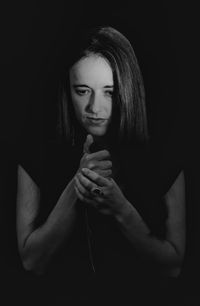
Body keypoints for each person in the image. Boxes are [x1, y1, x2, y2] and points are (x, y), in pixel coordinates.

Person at [16, 26, 186, 305]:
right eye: (82, 91)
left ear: (128, 89)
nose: (95, 107)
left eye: (109, 92)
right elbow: (32, 261)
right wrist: (78, 183)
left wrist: (120, 209)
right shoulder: (36, 153)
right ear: (67, 89)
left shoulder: (163, 155)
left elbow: (174, 265)